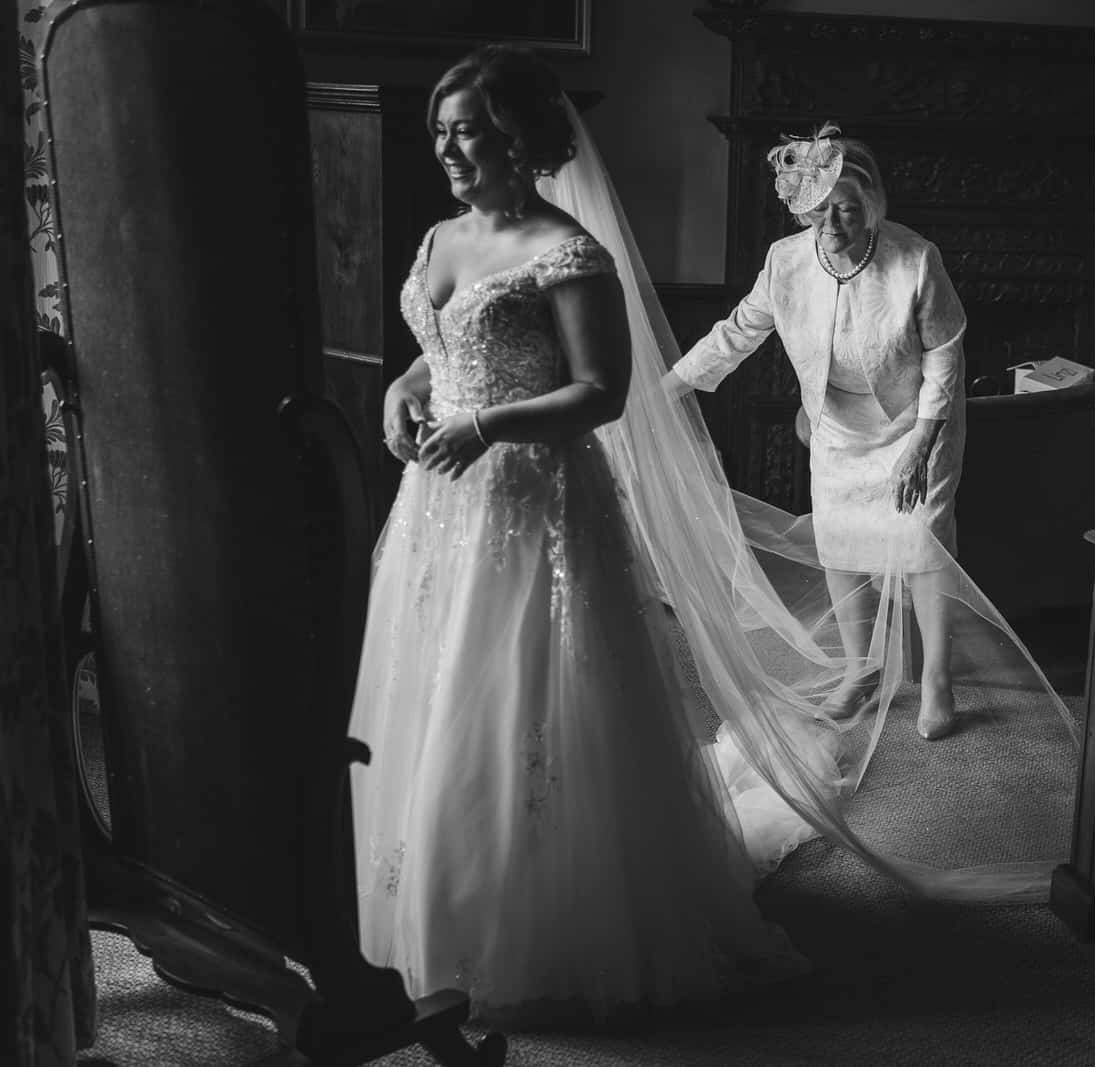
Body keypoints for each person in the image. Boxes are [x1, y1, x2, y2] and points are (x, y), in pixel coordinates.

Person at [346, 44, 804, 1029]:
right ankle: (435, 907)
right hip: (438, 503)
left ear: (519, 139)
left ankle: (540, 927)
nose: (451, 151)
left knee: (525, 702)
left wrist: (487, 424)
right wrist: (401, 393)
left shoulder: (568, 252)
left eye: (469, 133)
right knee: (434, 690)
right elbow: (445, 354)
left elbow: (600, 392)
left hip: (536, 503)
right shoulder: (439, 239)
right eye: (442, 133)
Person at [664, 127, 968, 741]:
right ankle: (859, 671)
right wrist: (670, 386)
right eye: (821, 211)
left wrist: (920, 444)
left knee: (923, 539)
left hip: (917, 420)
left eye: (849, 210)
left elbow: (945, 354)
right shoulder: (785, 261)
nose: (833, 224)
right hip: (837, 423)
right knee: (841, 540)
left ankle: (937, 678)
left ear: (872, 206)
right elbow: (738, 331)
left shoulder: (916, 258)